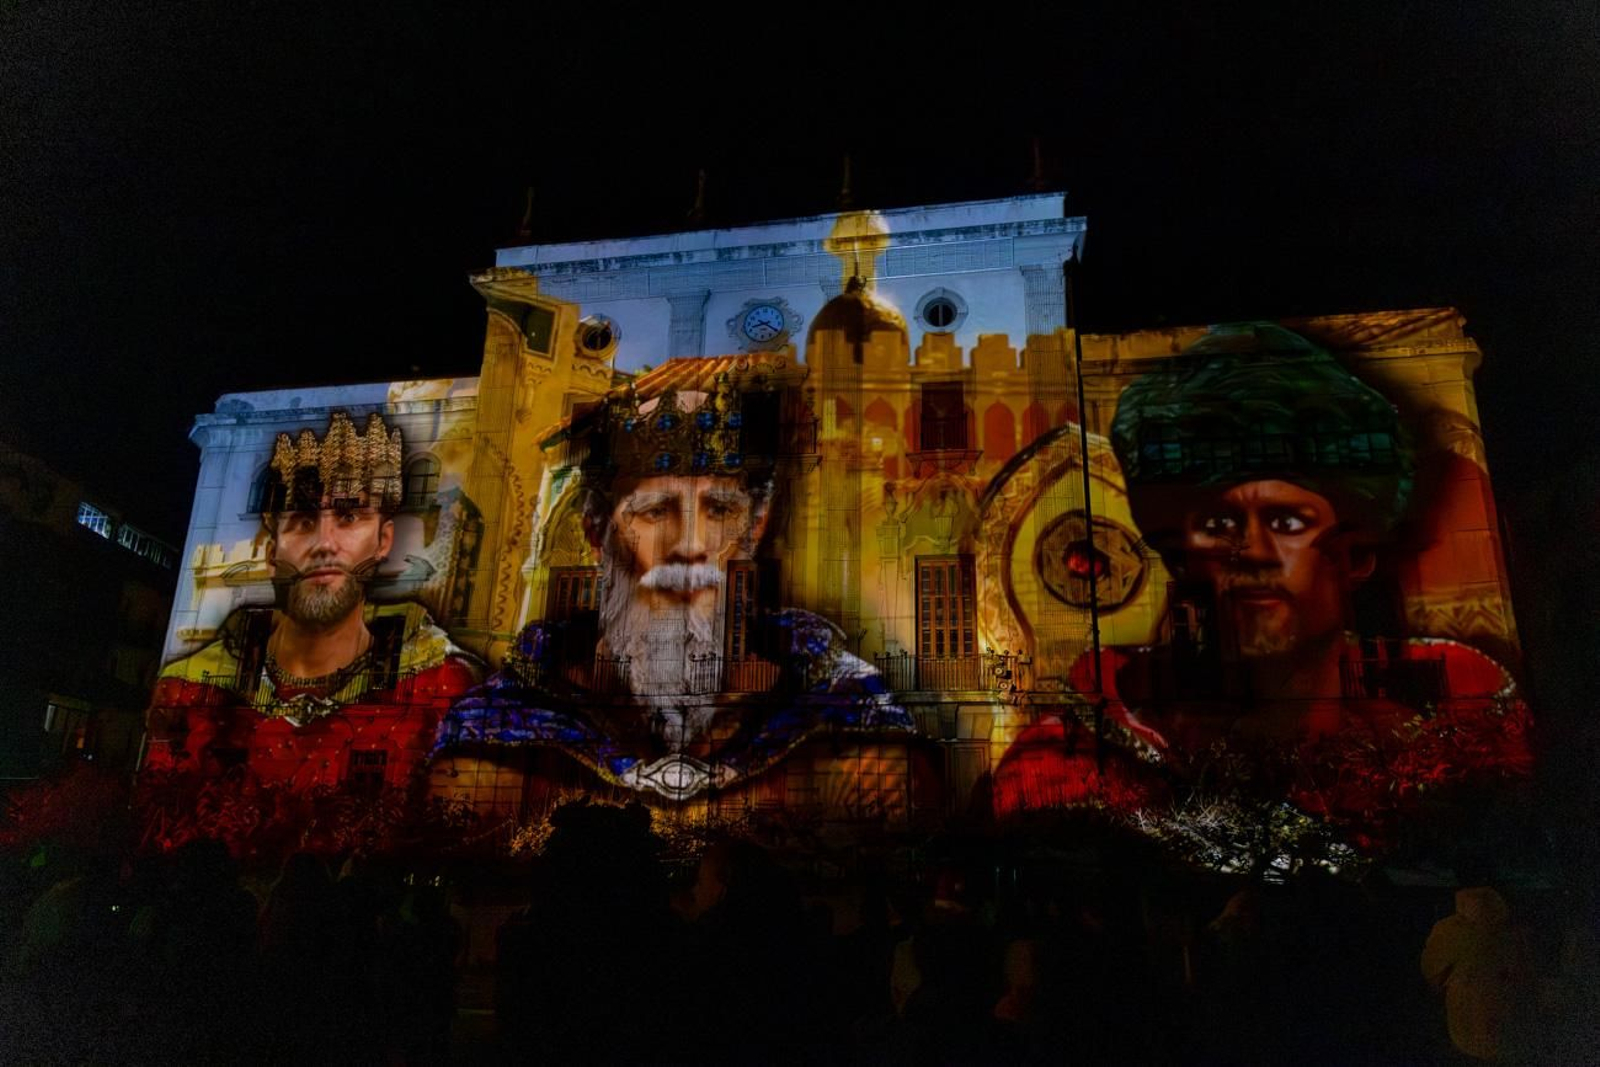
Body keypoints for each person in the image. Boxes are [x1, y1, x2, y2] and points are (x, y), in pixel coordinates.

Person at [994, 324, 1531, 853]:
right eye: (1219, 525)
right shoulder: (1078, 758)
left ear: (1355, 555)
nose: (1249, 553)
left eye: (1287, 523)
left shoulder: (1466, 749)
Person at [438, 378, 910, 800]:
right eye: (655, 511)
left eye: (720, 511)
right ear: (596, 530)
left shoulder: (847, 708)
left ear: (756, 526)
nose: (690, 545)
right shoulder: (496, 724)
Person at [143, 411, 480, 796]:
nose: (324, 543)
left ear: (383, 540)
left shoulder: (441, 687)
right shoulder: (190, 689)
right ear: (272, 552)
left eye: (349, 516)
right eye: (303, 521)